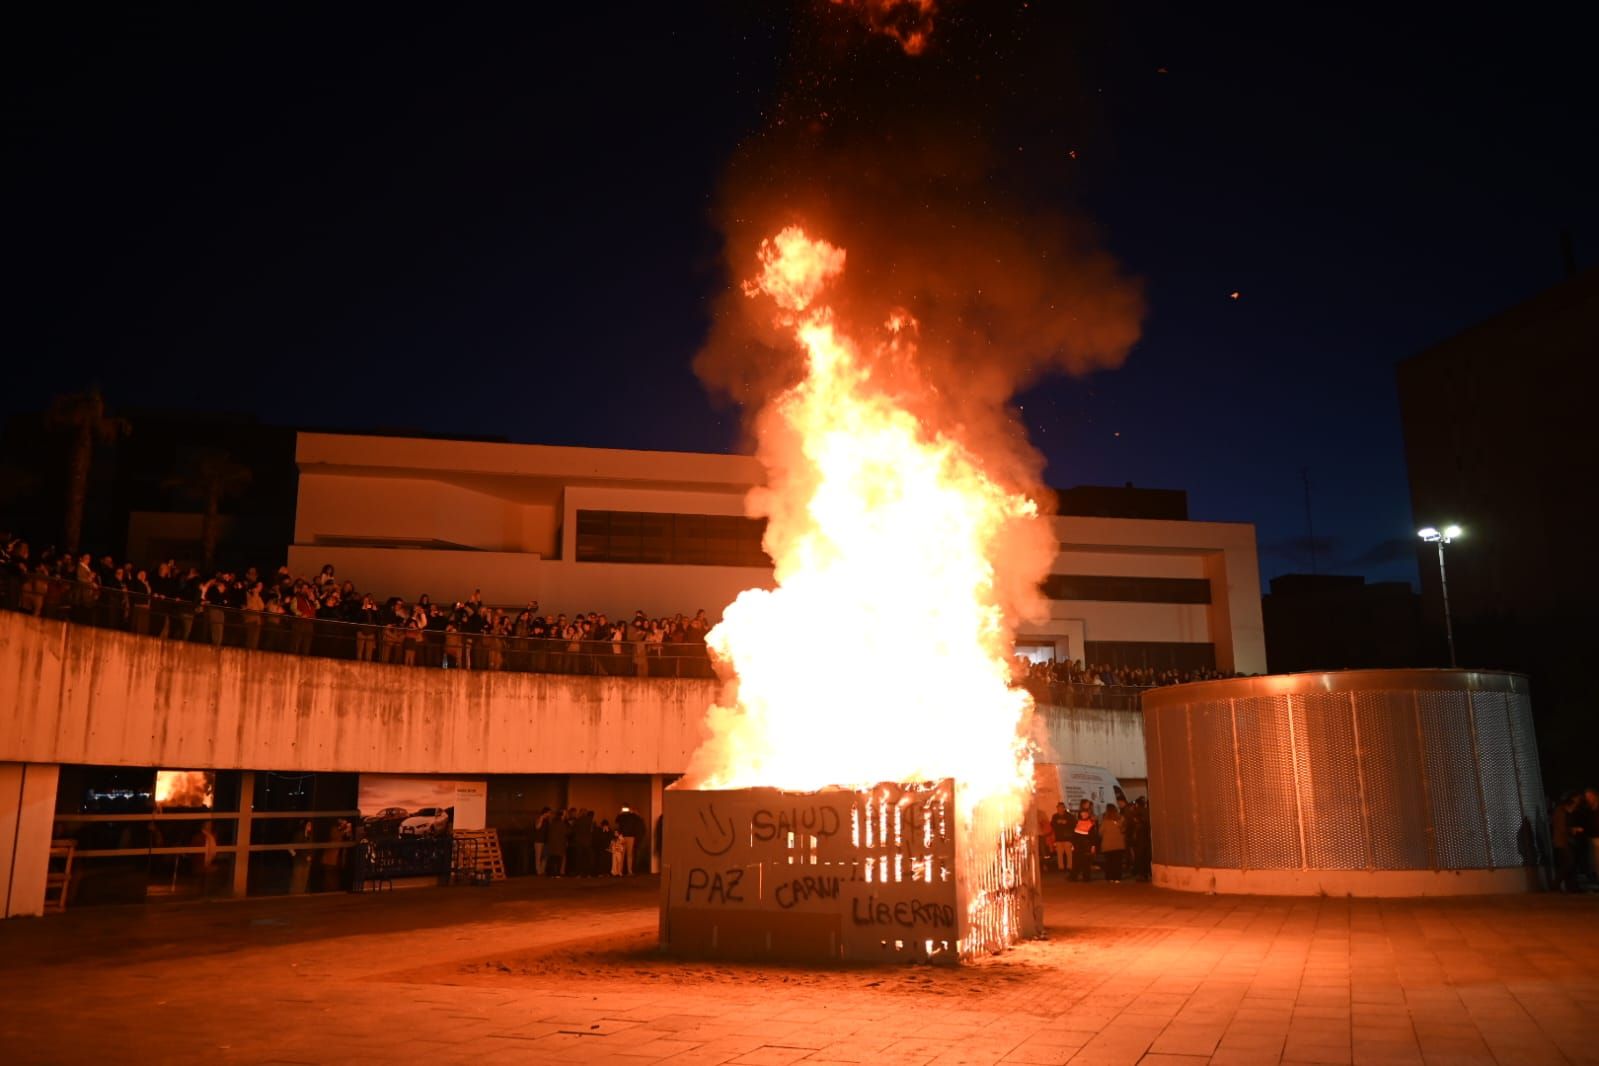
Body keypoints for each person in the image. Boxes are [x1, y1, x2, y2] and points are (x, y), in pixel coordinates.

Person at [1068, 799, 1099, 883]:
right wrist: (1073, 844)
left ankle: (1086, 877)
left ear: (1088, 814)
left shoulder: (1090, 823)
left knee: (1086, 862)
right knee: (1076, 862)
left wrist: (1093, 846)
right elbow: (1074, 835)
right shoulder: (1078, 822)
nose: (1083, 815)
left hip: (1086, 845)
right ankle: (1073, 876)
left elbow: (1093, 836)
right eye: (1082, 813)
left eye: (1085, 813)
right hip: (1078, 845)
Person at [1099, 803, 1127, 882]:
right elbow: (1124, 830)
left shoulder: (1105, 821)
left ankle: (1109, 877)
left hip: (1107, 845)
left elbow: (1100, 832)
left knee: (1109, 863)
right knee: (1117, 863)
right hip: (1119, 845)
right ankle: (1117, 877)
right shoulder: (1121, 819)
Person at [1048, 802, 1073, 874]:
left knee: (1069, 853)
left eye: (1061, 808)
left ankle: (1069, 867)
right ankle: (1061, 867)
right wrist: (1057, 822)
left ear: (1064, 808)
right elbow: (1052, 824)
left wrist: (1066, 822)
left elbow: (1073, 824)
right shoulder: (1055, 816)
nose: (1060, 809)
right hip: (1058, 838)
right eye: (1058, 808)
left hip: (1067, 838)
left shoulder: (1069, 816)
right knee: (1059, 854)